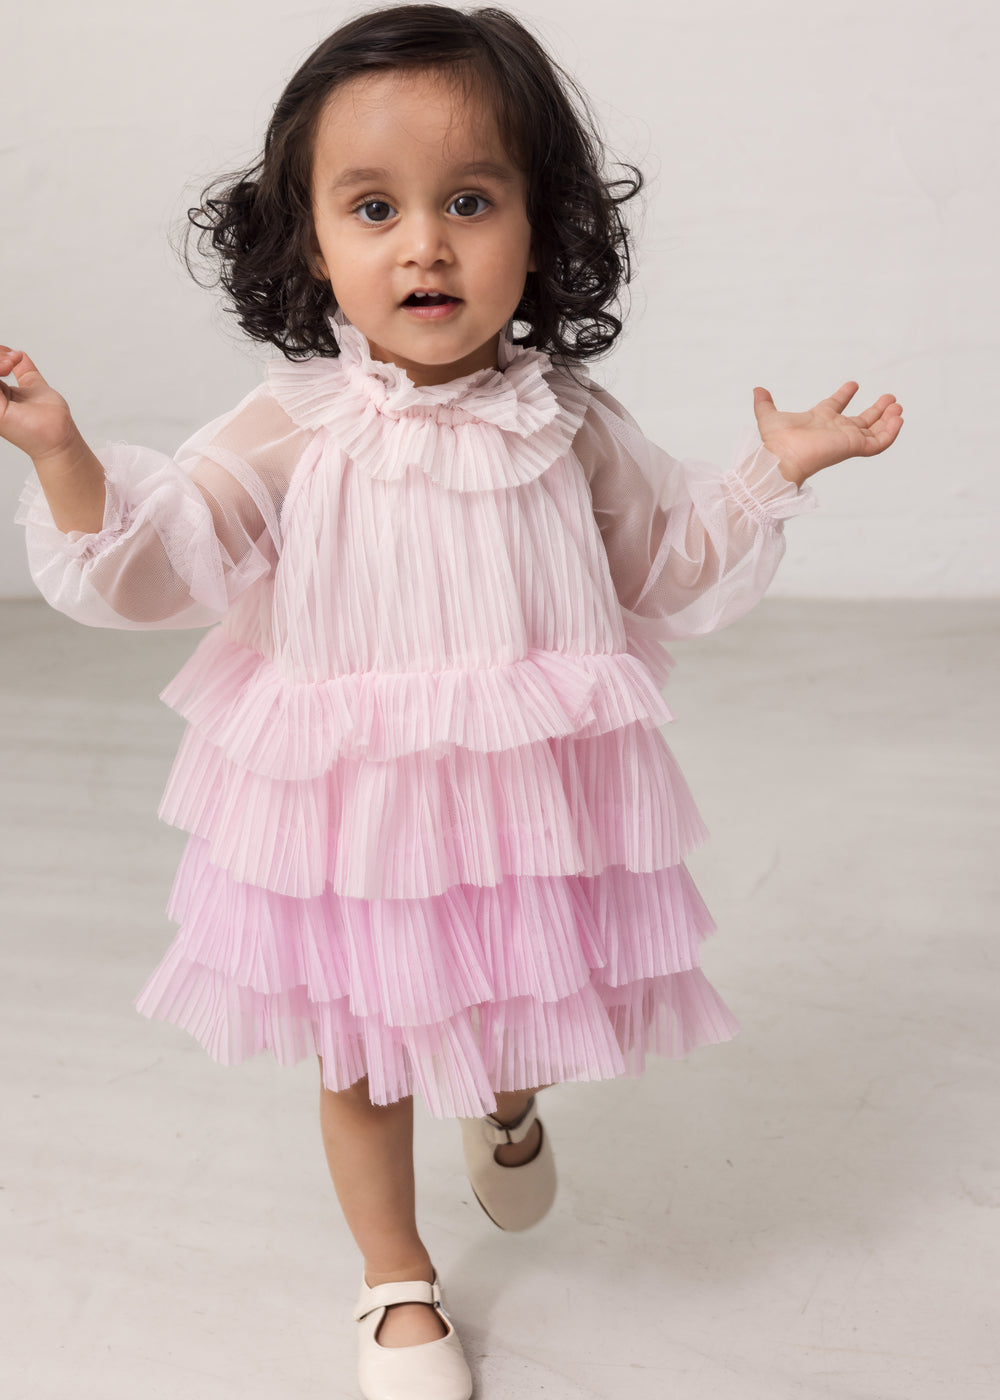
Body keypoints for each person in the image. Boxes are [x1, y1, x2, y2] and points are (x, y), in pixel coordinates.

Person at [1, 6, 903, 1398]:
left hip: (522, 809)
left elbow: (665, 564)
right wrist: (66, 460)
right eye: (375, 207)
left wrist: (770, 472)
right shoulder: (293, 428)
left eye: (468, 201)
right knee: (366, 1052)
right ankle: (394, 1279)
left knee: (508, 1005)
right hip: (359, 821)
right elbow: (158, 557)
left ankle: (508, 1100)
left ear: (540, 232)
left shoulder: (571, 422)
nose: (424, 243)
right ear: (311, 243)